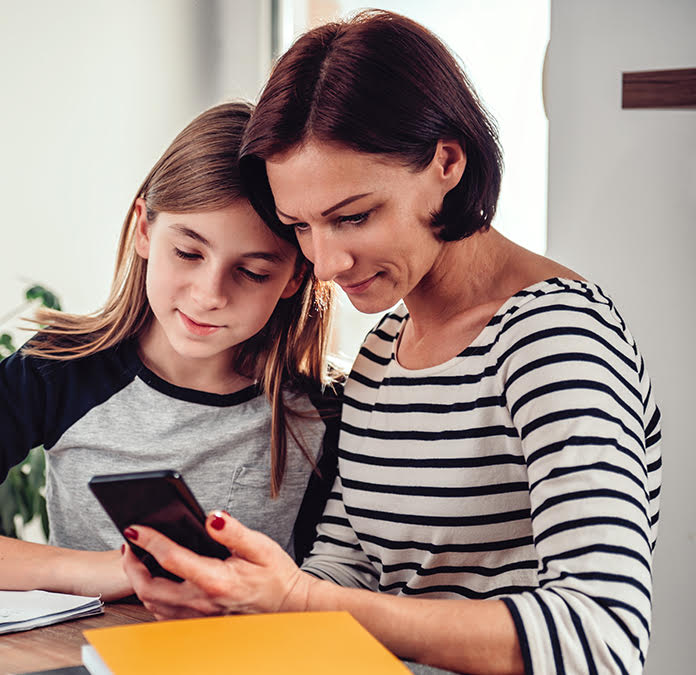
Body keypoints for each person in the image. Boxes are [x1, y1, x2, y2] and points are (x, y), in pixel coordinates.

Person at [121, 11, 662, 675]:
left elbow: (600, 636)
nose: (325, 262)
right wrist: (241, 602)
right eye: (300, 227)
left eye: (353, 217)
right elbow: (343, 572)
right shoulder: (383, 355)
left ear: (448, 161)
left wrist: (301, 599)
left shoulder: (554, 337)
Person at [0, 102, 343, 602]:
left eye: (254, 272)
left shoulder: (329, 408)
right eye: (189, 252)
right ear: (146, 230)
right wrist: (109, 571)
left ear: (295, 277)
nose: (209, 293)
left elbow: (339, 587)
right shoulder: (56, 372)